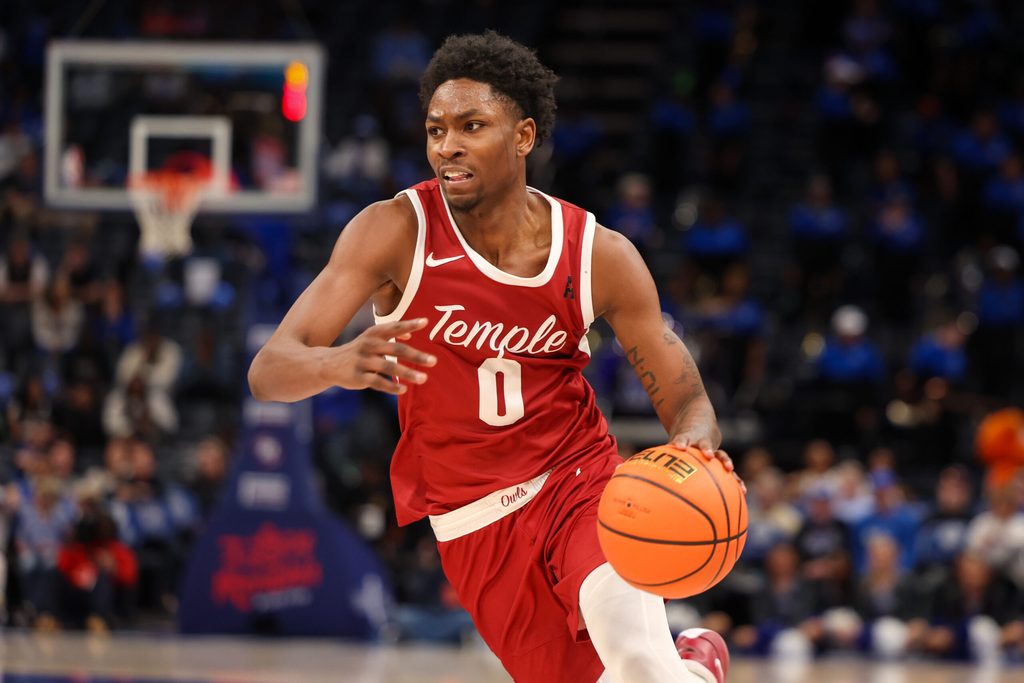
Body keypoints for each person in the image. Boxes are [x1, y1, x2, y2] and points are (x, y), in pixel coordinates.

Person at [249, 31, 740, 683]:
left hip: (581, 482)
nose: (446, 145)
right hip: (473, 520)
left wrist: (695, 444)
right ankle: (699, 669)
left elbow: (686, 398)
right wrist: (336, 365)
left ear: (524, 136)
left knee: (638, 664)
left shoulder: (598, 254)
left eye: (471, 125)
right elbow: (269, 371)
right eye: (435, 128)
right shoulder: (394, 230)